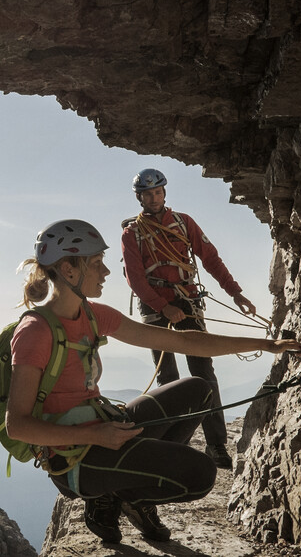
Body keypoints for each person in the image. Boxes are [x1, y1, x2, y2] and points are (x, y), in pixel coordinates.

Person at [7, 219, 301, 544]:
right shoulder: (35, 332)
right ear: (69, 270)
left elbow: (187, 342)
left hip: (103, 430)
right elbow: (18, 426)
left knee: (200, 391)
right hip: (75, 460)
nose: (106, 272)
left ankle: (128, 494)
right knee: (200, 474)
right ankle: (120, 495)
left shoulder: (93, 314)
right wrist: (94, 435)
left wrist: (264, 344)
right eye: (96, 264)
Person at [121, 168, 255, 469]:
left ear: (164, 193)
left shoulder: (183, 223)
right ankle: (173, 445)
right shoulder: (132, 233)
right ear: (140, 197)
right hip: (155, 309)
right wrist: (162, 306)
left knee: (203, 372)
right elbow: (135, 279)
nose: (153, 198)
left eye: (157, 192)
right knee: (169, 378)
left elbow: (210, 259)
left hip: (187, 302)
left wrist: (236, 293)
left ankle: (216, 445)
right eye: (147, 194)